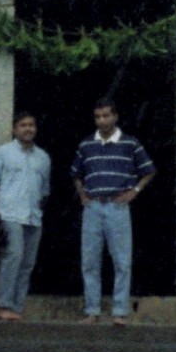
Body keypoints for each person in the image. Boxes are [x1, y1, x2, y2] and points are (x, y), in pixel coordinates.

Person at [71, 101, 154, 324]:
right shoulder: (86, 145)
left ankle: (119, 312)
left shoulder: (130, 144)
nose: (102, 120)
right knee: (89, 261)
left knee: (122, 261)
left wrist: (134, 191)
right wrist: (82, 195)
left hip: (118, 206)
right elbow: (76, 173)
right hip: (93, 206)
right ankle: (92, 311)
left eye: (106, 116)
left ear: (115, 116)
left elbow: (148, 170)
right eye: (98, 116)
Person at [0, 112, 51, 320]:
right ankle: (2, 305)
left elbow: (44, 190)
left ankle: (16, 308)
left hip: (33, 216)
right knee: (14, 256)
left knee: (28, 263)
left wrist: (38, 209)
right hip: (9, 213)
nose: (28, 129)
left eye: (31, 125)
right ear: (14, 129)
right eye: (23, 125)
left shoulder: (43, 158)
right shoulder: (3, 153)